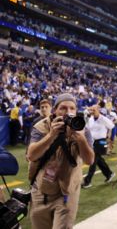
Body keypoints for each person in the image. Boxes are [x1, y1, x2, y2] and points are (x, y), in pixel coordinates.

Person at [26, 93, 94, 229]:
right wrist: (51, 135)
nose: (68, 112)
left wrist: (80, 138)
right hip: (41, 190)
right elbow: (31, 155)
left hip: (67, 192)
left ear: (76, 111)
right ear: (55, 110)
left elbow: (89, 160)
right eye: (63, 108)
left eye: (72, 108)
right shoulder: (41, 127)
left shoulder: (82, 129)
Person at [82, 105, 115, 188]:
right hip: (93, 141)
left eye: (94, 110)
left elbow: (112, 126)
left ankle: (87, 181)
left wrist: (111, 139)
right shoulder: (91, 119)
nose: (92, 111)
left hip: (101, 141)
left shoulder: (103, 118)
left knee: (93, 160)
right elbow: (88, 129)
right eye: (91, 110)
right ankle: (109, 174)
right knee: (98, 160)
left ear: (98, 110)